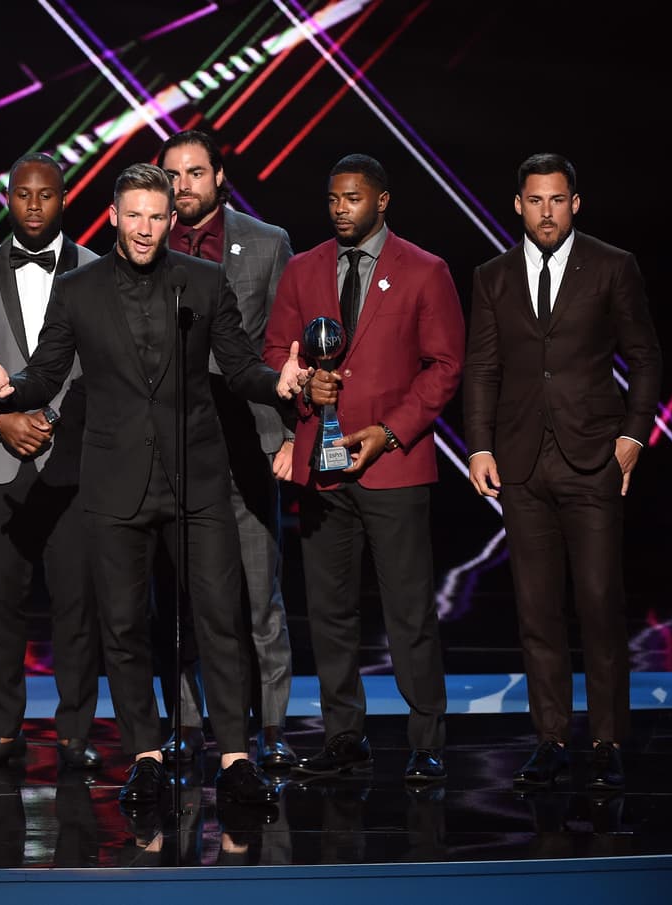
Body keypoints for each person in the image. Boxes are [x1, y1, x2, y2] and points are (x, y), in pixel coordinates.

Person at [0, 163, 309, 814]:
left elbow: (240, 366)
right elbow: (47, 371)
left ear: (169, 218)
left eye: (157, 215)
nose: (146, 228)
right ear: (114, 215)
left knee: (220, 619)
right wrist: (10, 388)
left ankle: (236, 759)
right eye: (135, 215)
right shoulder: (78, 290)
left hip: (197, 480)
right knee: (125, 626)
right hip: (115, 482)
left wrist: (281, 383)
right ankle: (147, 757)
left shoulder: (204, 283)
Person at [262, 153, 464, 785]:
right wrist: (300, 388)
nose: (340, 208)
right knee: (329, 609)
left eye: (353, 198)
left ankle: (426, 739)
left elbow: (446, 365)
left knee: (408, 609)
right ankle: (343, 736)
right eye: (333, 198)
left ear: (381, 201)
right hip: (322, 470)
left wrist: (392, 431)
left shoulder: (426, 271)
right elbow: (276, 351)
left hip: (394, 467)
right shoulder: (303, 269)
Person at [464, 153, 662, 792]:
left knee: (601, 603)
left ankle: (606, 741)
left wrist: (633, 434)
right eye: (534, 200)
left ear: (575, 203)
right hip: (520, 464)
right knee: (536, 610)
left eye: (557, 199)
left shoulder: (612, 266)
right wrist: (478, 447)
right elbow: (483, 369)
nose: (545, 211)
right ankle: (550, 739)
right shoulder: (491, 276)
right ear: (517, 205)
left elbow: (646, 355)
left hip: (592, 459)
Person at [0, 153, 102, 769]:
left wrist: (52, 420)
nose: (34, 206)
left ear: (64, 199)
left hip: (73, 464)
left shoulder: (97, 271)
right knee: (0, 606)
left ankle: (74, 735)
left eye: (46, 196)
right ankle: (3, 733)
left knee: (76, 606)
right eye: (22, 196)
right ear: (7, 199)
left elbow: (102, 363)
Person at [155, 129, 297, 770]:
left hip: (248, 443)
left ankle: (270, 728)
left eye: (194, 173)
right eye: (173, 175)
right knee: (179, 597)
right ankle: (186, 724)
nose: (183, 185)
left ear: (219, 177)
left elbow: (285, 349)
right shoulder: (143, 242)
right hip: (167, 452)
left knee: (258, 596)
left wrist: (293, 434)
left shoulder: (266, 244)